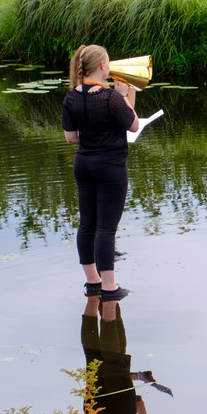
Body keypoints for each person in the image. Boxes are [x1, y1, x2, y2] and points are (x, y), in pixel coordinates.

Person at [62, 44, 138, 301]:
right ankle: (109, 286)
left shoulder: (72, 95)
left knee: (87, 224)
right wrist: (127, 95)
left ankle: (92, 282)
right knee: (106, 228)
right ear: (103, 66)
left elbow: (70, 137)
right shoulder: (110, 97)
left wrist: (93, 134)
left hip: (84, 165)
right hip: (110, 167)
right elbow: (134, 125)